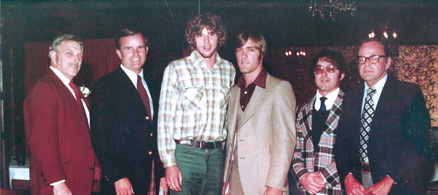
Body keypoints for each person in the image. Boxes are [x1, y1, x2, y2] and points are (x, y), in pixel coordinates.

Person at [335, 39, 432, 195]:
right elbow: (342, 143)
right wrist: (348, 177)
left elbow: (420, 145)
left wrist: (389, 181)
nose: (367, 63)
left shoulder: (407, 93)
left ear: (387, 63)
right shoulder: (351, 97)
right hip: (358, 183)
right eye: (361, 59)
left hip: (396, 183)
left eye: (374, 58)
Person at [158, 12, 235, 195]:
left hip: (216, 157)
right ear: (193, 38)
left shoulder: (229, 70)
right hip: (185, 155)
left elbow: (228, 119)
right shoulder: (176, 69)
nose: (206, 42)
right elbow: (164, 120)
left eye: (212, 34)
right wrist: (169, 164)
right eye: (200, 35)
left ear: (220, 37)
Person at [89, 28, 166, 195]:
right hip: (124, 178)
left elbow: (159, 132)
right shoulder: (106, 86)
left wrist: (162, 173)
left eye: (140, 47)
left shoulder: (155, 85)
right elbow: (100, 136)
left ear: (147, 50)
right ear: (118, 53)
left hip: (151, 173)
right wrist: (117, 176)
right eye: (128, 48)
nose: (136, 54)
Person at [24, 34, 100, 195]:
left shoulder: (71, 89)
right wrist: (57, 183)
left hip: (79, 181)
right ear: (53, 55)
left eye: (79, 55)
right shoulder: (45, 89)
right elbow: (41, 142)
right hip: (60, 185)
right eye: (69, 53)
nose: (76, 59)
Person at [222, 30, 296, 195]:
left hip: (264, 182)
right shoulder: (234, 92)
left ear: (261, 54)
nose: (243, 55)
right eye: (239, 50)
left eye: (250, 50)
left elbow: (285, 142)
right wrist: (225, 181)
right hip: (234, 182)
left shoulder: (279, 88)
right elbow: (231, 142)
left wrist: (275, 186)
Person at [292, 50, 346, 195]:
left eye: (331, 69)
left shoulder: (351, 106)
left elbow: (353, 152)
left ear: (342, 75)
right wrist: (303, 176)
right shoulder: (302, 109)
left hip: (337, 189)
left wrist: (324, 177)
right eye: (319, 69)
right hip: (305, 190)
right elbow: (294, 150)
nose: (324, 74)